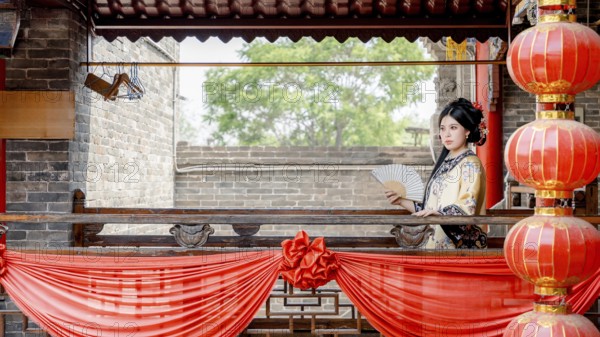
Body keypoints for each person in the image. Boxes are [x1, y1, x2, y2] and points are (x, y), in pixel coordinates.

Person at [387, 98, 488, 249]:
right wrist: (400, 200)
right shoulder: (445, 162)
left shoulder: (470, 163)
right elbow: (430, 209)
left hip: (458, 249)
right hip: (434, 241)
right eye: (442, 128)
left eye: (453, 128)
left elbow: (467, 207)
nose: (446, 134)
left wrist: (438, 213)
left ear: (467, 130)